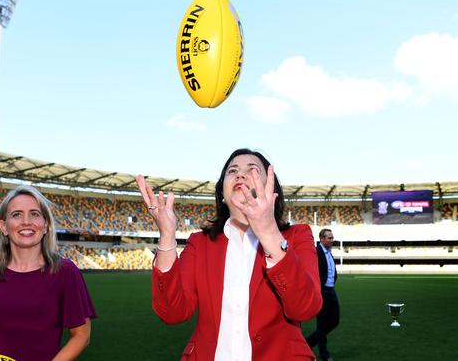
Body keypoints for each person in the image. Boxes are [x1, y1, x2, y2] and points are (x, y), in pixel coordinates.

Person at [136, 148, 323, 360]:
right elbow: (172, 313)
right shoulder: (200, 243)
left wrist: (269, 233)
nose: (240, 174)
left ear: (270, 189)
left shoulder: (297, 236)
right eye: (232, 170)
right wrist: (167, 237)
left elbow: (306, 308)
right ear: (223, 194)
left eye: (252, 170)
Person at [0, 186, 96, 361]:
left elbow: (81, 335)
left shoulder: (66, 271)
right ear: (3, 226)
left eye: (34, 214)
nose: (26, 221)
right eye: (16, 214)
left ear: (45, 225)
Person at [305, 229, 340, 361]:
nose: (332, 240)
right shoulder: (316, 252)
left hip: (331, 290)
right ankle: (325, 355)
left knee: (335, 320)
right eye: (329, 238)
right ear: (322, 239)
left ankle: (308, 342)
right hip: (321, 291)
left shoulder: (329, 252)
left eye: (332, 237)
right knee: (322, 323)